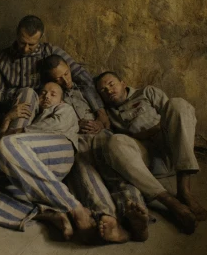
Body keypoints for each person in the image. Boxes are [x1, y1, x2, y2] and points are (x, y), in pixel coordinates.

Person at [0, 82, 97, 242]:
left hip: (57, 152)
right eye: (43, 93)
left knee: (7, 144)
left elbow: (55, 126)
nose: (46, 97)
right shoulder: (29, 117)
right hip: (24, 173)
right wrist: (8, 119)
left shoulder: (64, 109)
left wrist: (17, 132)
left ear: (61, 100)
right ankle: (47, 213)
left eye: (53, 94)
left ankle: (74, 207)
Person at [41, 55, 149, 243]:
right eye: (59, 79)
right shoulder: (52, 95)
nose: (65, 80)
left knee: (115, 171)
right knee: (86, 174)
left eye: (66, 74)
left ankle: (136, 216)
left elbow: (105, 115)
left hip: (100, 136)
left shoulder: (86, 88)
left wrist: (100, 122)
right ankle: (108, 218)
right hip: (77, 142)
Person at [94, 71, 207, 234]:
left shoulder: (147, 93)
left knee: (178, 104)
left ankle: (184, 190)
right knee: (114, 142)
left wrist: (152, 130)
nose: (109, 90)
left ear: (123, 83)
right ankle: (171, 202)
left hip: (172, 150)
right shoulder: (108, 114)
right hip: (146, 162)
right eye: (103, 90)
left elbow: (173, 116)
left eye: (111, 84)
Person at [0, 15, 109, 135]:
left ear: (40, 38)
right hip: (14, 108)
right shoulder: (1, 59)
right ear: (17, 35)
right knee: (27, 93)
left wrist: (101, 112)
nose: (25, 49)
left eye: (31, 45)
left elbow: (83, 77)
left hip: (47, 110)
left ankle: (16, 139)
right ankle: (13, 139)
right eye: (22, 43)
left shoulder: (50, 51)